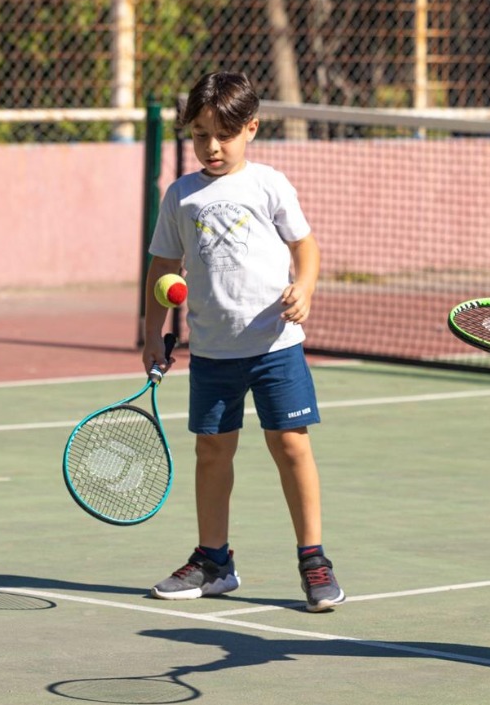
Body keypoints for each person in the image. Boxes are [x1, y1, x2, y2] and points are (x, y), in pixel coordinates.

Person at [141, 71, 344, 613]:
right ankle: (214, 561)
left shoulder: (269, 184)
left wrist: (305, 288)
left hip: (276, 346)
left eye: (224, 134)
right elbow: (163, 267)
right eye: (200, 134)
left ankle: (314, 559)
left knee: (291, 445)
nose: (212, 145)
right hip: (212, 352)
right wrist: (152, 333)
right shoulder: (180, 195)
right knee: (212, 452)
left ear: (251, 128)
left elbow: (306, 248)